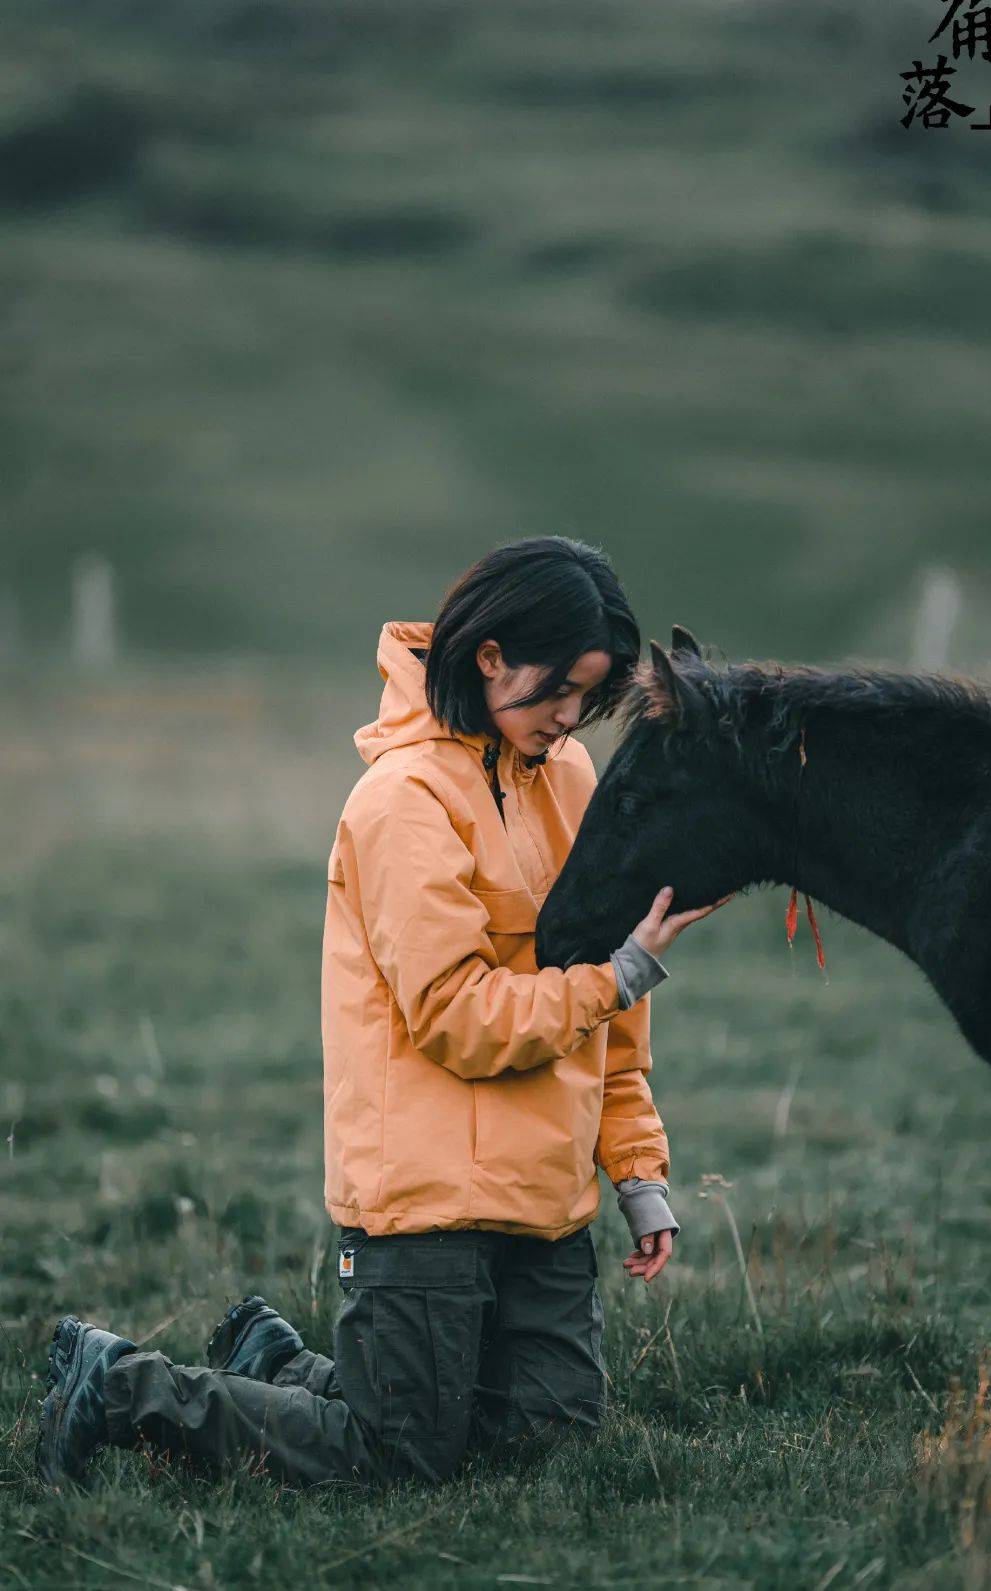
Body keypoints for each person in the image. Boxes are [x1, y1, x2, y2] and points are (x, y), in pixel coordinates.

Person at [37, 535, 724, 1491]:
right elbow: (459, 1014)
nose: (571, 716)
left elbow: (606, 1002)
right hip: (426, 1201)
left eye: (589, 696)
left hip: (544, 1200)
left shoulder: (569, 780)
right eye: (559, 687)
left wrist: (637, 1170)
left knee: (544, 1447)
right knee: (400, 1457)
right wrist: (621, 975)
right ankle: (119, 1384)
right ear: (490, 656)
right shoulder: (400, 799)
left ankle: (278, 1367)